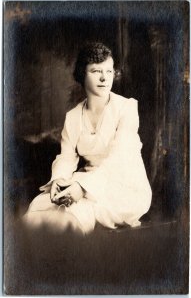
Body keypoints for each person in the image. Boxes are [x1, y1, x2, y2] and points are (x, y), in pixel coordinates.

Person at [23, 42, 152, 235]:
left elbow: (118, 159)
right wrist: (59, 179)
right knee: (42, 205)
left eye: (109, 71)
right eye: (96, 71)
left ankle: (59, 253)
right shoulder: (73, 116)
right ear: (82, 74)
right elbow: (66, 157)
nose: (104, 78)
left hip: (124, 183)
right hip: (88, 179)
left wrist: (81, 188)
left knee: (78, 209)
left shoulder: (127, 109)